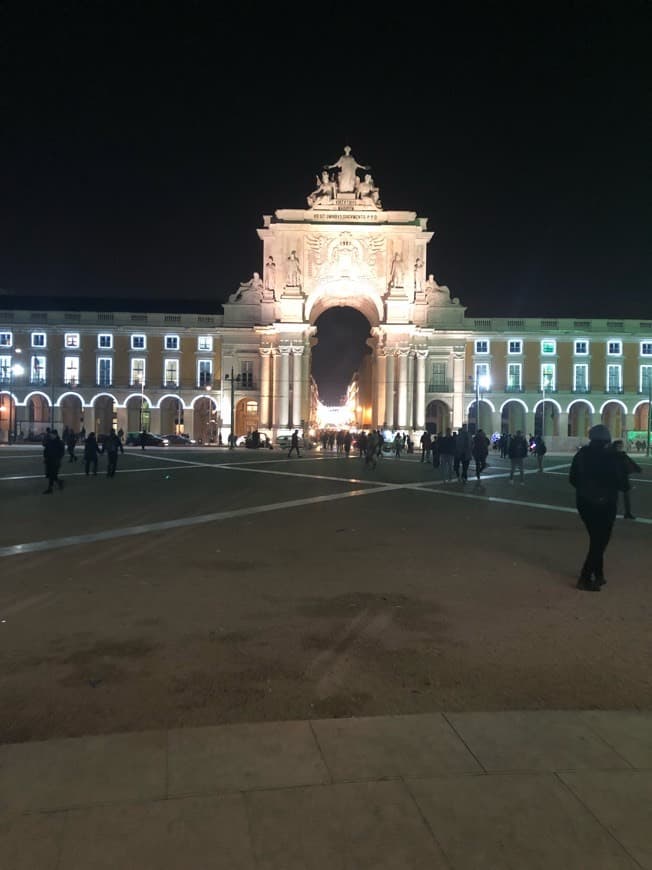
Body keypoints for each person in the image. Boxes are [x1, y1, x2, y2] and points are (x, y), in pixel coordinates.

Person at [569, 424, 626, 591]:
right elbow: (622, 484)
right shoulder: (613, 456)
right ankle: (585, 577)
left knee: (596, 538)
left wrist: (586, 489)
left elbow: (572, 479)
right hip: (606, 504)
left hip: (584, 503)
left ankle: (599, 574)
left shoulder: (582, 454)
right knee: (600, 541)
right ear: (607, 439)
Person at [611, 439, 641, 519]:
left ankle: (627, 512)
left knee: (623, 495)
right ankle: (626, 513)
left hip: (619, 477)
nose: (621, 447)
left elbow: (630, 462)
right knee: (618, 496)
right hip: (618, 477)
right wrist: (637, 468)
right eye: (620, 446)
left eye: (621, 446)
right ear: (616, 446)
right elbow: (630, 462)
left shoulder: (617, 454)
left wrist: (637, 468)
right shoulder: (618, 454)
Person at [43, 429, 65, 494]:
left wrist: (58, 458)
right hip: (49, 460)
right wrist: (45, 457)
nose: (51, 436)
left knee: (52, 475)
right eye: (50, 435)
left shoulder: (59, 442)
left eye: (52, 434)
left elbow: (62, 452)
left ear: (55, 435)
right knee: (51, 475)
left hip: (55, 461)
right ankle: (59, 482)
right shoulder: (49, 441)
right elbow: (45, 450)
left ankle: (50, 488)